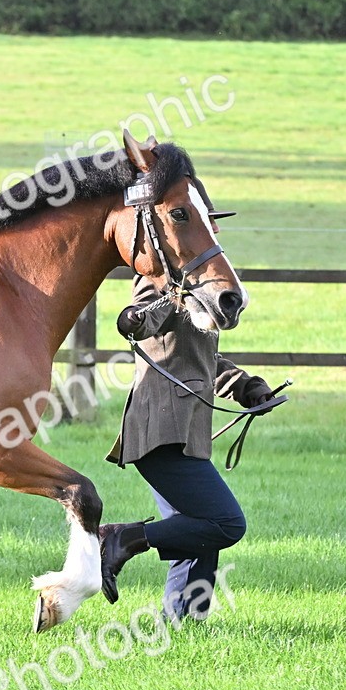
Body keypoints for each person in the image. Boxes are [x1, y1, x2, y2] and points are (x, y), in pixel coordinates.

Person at [99, 211, 277, 621]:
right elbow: (146, 314)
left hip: (184, 434)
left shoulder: (199, 287)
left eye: (208, 224)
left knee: (198, 531)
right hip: (161, 430)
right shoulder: (162, 279)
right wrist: (137, 320)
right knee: (226, 522)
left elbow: (205, 360)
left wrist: (249, 388)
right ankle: (122, 538)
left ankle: (182, 624)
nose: (207, 231)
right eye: (199, 223)